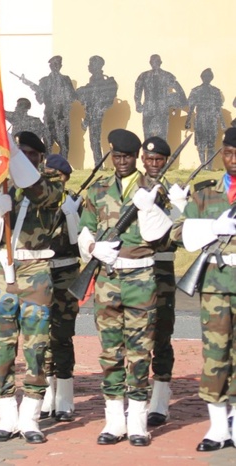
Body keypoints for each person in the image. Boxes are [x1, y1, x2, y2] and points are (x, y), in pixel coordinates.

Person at [78, 129, 173, 447]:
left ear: (136, 158)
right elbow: (85, 229)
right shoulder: (99, 188)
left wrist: (149, 207)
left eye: (127, 157)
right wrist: (92, 248)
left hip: (141, 280)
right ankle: (113, 421)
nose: (121, 162)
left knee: (138, 352)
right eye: (117, 156)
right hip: (107, 279)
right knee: (110, 352)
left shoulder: (152, 189)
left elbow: (161, 236)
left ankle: (137, 422)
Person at [0, 131, 63, 444]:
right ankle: (6, 416)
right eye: (20, 151)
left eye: (30, 153)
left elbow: (39, 192)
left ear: (40, 158)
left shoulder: (52, 183)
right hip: (3, 270)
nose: (24, 157)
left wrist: (11, 152)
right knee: (1, 347)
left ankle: (30, 417)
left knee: (37, 347)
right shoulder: (1, 186)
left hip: (36, 269)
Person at [170, 127, 236, 452]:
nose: (232, 159)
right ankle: (218, 427)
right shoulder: (206, 193)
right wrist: (212, 227)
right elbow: (179, 231)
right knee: (215, 355)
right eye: (228, 152)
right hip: (216, 288)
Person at [140, 137, 181, 427]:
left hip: (162, 270)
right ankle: (134, 399)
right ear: (142, 158)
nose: (154, 165)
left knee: (162, 335)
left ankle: (160, 401)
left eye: (160, 160)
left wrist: (177, 209)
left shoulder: (173, 191)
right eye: (150, 159)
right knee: (135, 337)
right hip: (134, 269)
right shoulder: (131, 186)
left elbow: (179, 236)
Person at [40, 154, 82, 422]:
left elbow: (80, 241)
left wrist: (71, 214)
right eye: (48, 173)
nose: (50, 178)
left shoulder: (76, 202)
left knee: (62, 334)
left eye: (56, 175)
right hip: (41, 270)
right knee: (41, 335)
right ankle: (46, 394)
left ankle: (65, 396)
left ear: (65, 178)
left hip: (66, 272)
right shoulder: (38, 200)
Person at [134, 54, 187, 141]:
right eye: (153, 62)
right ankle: (148, 154)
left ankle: (161, 154)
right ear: (150, 63)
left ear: (160, 62)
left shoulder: (167, 76)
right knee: (148, 137)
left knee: (162, 138)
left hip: (162, 110)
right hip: (148, 109)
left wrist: (174, 103)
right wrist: (138, 103)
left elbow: (180, 91)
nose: (155, 64)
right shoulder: (143, 76)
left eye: (157, 61)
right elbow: (138, 90)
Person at [76, 56, 118, 166]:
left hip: (98, 113)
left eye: (91, 64)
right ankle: (98, 164)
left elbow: (107, 99)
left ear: (97, 66)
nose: (89, 66)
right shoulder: (92, 82)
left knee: (95, 140)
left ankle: (99, 165)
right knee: (94, 141)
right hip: (92, 113)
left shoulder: (105, 81)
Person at [33, 56, 77, 159]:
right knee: (47, 145)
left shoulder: (66, 80)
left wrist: (63, 99)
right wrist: (39, 92)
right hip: (49, 117)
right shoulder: (44, 81)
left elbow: (73, 97)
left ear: (61, 66)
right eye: (53, 64)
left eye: (58, 64)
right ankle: (48, 167)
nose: (55, 66)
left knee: (65, 146)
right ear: (50, 66)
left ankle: (62, 167)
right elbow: (40, 101)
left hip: (62, 117)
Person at [185, 68, 227, 170]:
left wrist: (222, 123)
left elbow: (218, 108)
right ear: (202, 77)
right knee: (201, 145)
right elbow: (190, 108)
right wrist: (188, 121)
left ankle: (209, 166)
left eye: (209, 76)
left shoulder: (216, 91)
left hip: (212, 120)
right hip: (200, 120)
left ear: (211, 78)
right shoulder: (195, 91)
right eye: (205, 76)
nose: (207, 78)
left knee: (211, 145)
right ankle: (203, 166)